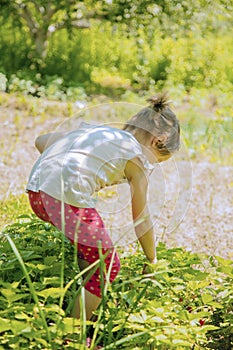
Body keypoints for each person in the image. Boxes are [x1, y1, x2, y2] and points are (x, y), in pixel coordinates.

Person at [26, 93, 180, 343]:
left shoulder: (97, 134)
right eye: (158, 161)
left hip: (37, 194)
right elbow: (141, 217)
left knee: (92, 254)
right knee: (108, 264)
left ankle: (85, 307)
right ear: (156, 140)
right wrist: (151, 259)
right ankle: (71, 337)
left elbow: (41, 141)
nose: (154, 167)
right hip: (64, 199)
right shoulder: (137, 159)